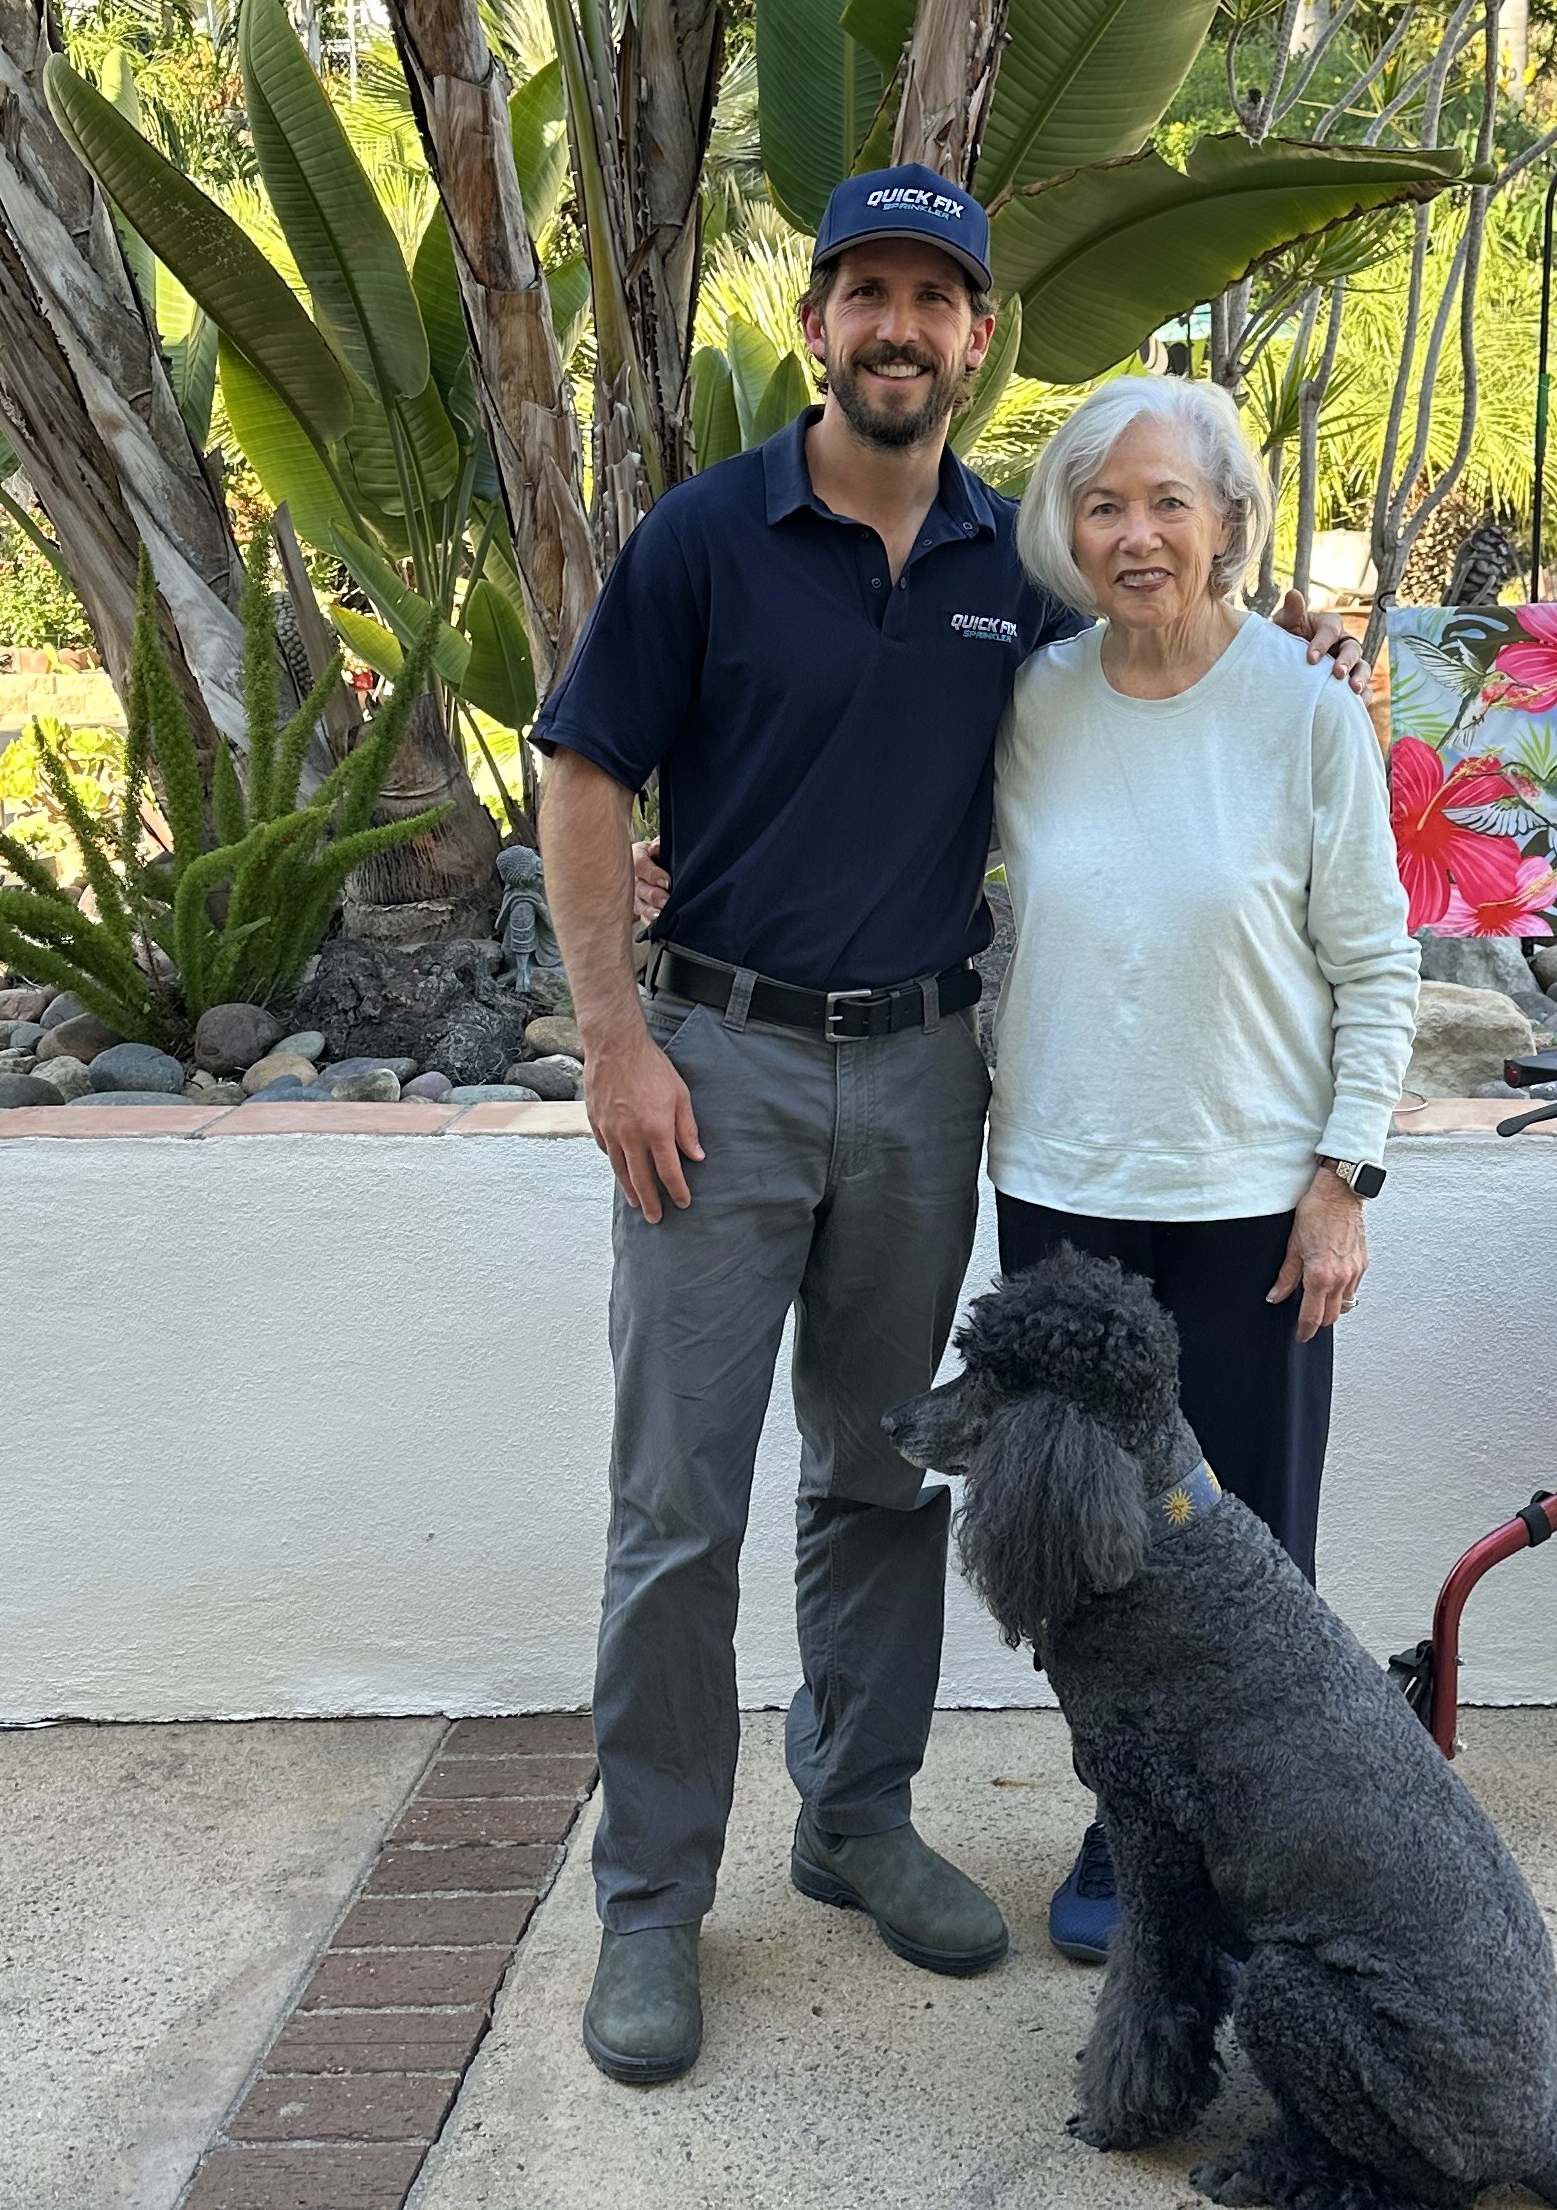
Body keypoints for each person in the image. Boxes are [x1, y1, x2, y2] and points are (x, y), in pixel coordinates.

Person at [532, 167, 1356, 2090]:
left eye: (936, 297)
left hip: (924, 1077)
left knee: (891, 1475)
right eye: (867, 293)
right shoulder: (706, 538)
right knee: (680, 1505)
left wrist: (1289, 624)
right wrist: (612, 1040)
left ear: (978, 338)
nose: (899, 327)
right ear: (817, 324)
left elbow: (1174, 629)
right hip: (717, 1074)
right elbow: (583, 772)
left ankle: (855, 1816)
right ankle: (652, 1903)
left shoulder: (1018, 563)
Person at [991, 375, 1419, 1964]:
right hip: (1062, 1180)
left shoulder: (1307, 712)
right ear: (1069, 532)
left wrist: (1343, 1180)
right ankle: (1130, 1827)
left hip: (1252, 1197)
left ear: (1231, 522)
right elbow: (865, 795)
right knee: (1090, 1550)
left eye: (1170, 501)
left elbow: (1379, 966)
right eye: (1106, 504)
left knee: (1249, 1555)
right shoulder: (1031, 704)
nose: (1139, 533)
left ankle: (1266, 1846)